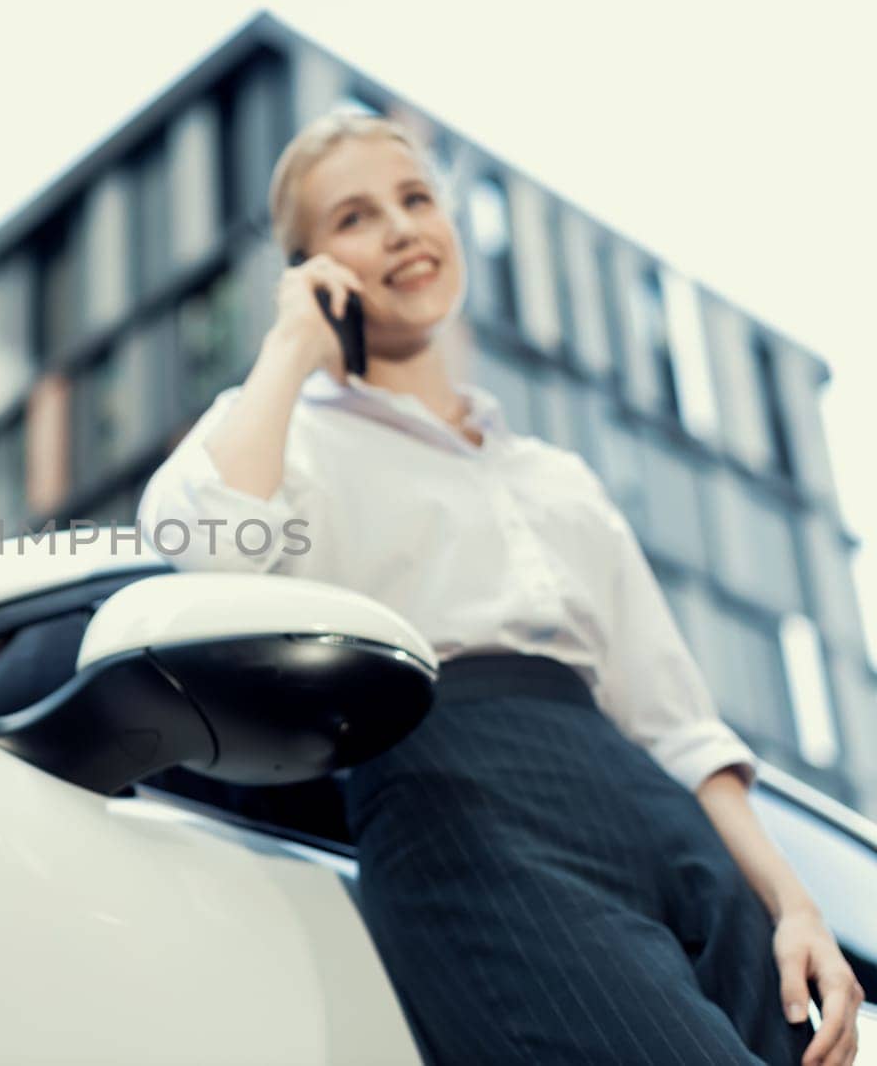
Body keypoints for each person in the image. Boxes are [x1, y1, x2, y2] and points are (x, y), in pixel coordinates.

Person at [134, 106, 863, 1065]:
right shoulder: (284, 431)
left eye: (415, 198)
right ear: (310, 272)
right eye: (353, 218)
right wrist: (289, 350)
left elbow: (678, 727)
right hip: (456, 788)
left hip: (650, 806)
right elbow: (203, 550)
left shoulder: (556, 475)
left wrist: (795, 906)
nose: (398, 227)